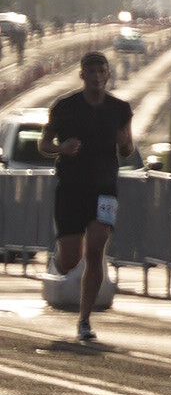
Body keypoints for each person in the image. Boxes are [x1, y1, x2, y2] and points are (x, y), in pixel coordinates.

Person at [40, 48, 138, 347]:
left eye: (101, 71)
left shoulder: (120, 109)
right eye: (91, 71)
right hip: (71, 188)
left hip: (104, 188)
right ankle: (59, 259)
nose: (96, 76)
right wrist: (61, 148)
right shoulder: (65, 107)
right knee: (72, 259)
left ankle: (84, 319)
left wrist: (124, 142)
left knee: (96, 249)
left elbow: (127, 149)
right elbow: (44, 144)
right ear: (82, 75)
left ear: (108, 75)